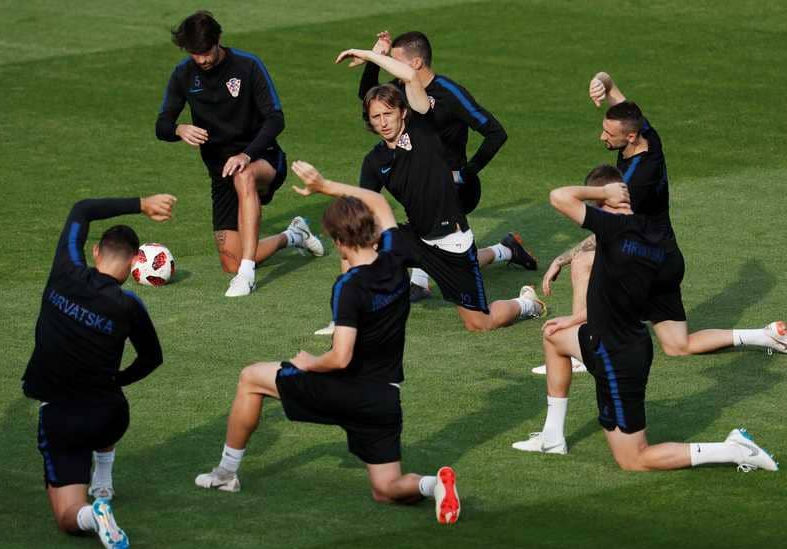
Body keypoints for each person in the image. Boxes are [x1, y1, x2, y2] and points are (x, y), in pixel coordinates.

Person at [194, 160, 460, 524]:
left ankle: (226, 473)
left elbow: (341, 357)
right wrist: (325, 185)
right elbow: (379, 202)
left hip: (346, 391)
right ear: (371, 229)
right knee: (386, 488)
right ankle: (433, 485)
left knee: (251, 378)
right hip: (385, 398)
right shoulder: (396, 256)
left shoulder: (349, 287)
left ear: (338, 242)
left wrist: (308, 363)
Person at [511, 177, 779, 473]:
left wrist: (602, 191)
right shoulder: (654, 238)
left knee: (633, 458)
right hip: (616, 339)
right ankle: (551, 438)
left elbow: (559, 196)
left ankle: (734, 450)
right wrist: (575, 319)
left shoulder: (614, 229)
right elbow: (616, 293)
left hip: (616, 355)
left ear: (607, 204)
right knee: (554, 337)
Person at [530, 72, 785, 372]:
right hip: (667, 259)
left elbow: (608, 230)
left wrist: (562, 258)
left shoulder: (632, 184)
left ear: (630, 137)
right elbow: (615, 91)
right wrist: (601, 82)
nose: (602, 137)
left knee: (584, 262)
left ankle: (581, 352)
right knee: (678, 345)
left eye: (608, 133)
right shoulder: (648, 137)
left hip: (644, 263)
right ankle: (765, 335)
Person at [333, 47, 545, 333]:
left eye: (388, 114)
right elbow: (363, 206)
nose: (383, 122)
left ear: (403, 112)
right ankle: (344, 321)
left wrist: (368, 55)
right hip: (415, 238)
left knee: (479, 323)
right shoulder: (375, 160)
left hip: (452, 244)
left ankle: (526, 303)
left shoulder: (423, 128)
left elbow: (410, 76)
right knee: (353, 240)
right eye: (376, 117)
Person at [21, 194, 173, 549]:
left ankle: (93, 513)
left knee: (67, 515)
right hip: (111, 414)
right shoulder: (129, 305)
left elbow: (82, 209)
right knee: (101, 396)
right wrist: (117, 380)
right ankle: (102, 480)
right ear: (135, 264)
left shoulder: (65, 270)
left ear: (94, 252)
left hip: (63, 418)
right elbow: (152, 358)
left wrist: (142, 203)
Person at [155, 10, 323, 297]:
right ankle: (294, 235)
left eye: (206, 52)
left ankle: (247, 277)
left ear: (218, 39)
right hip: (221, 173)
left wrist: (246, 154)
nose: (202, 60)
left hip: (262, 158)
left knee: (243, 176)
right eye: (195, 54)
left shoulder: (247, 66)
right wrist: (179, 129)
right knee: (229, 262)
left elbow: (275, 119)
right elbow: (162, 125)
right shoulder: (183, 74)